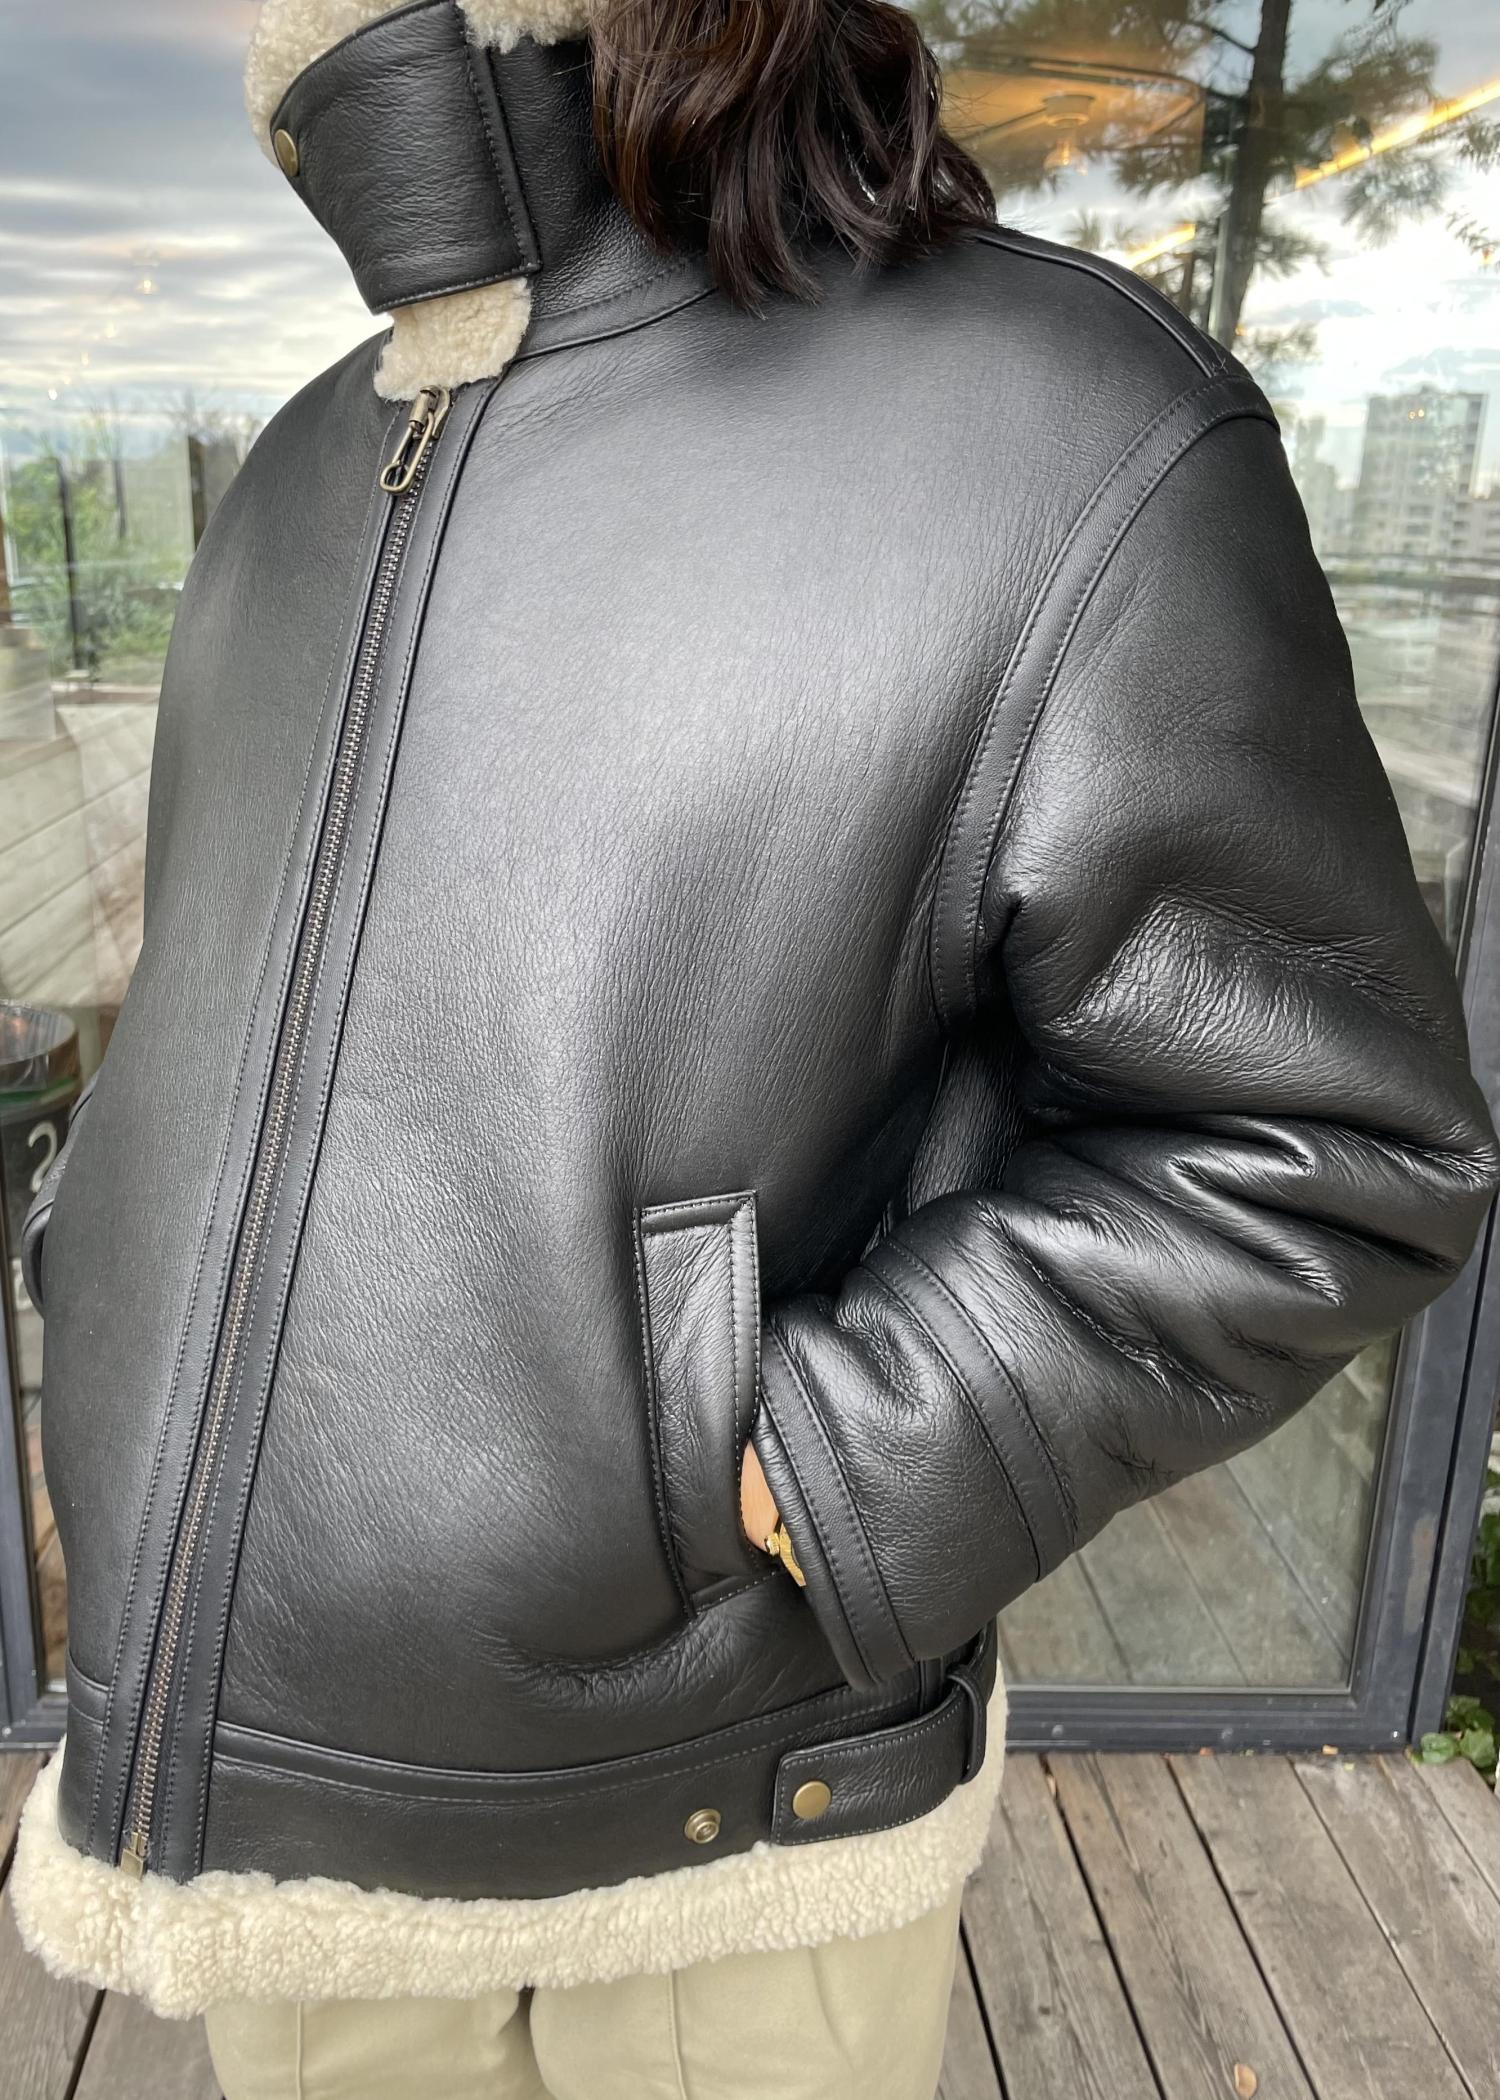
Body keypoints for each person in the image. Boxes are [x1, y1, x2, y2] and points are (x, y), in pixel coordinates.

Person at [11, 0, 1497, 2095]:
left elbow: (1324, 1139)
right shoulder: (302, 469)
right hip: (267, 1839)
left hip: (718, 1869)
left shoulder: (1059, 424)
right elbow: (229, 991)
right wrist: (99, 1256)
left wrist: (808, 1464)